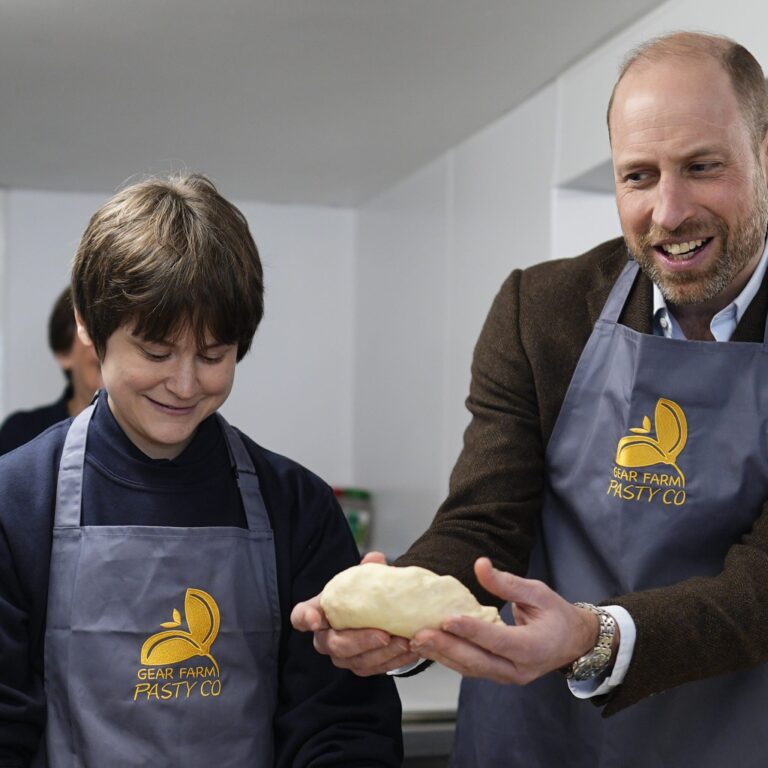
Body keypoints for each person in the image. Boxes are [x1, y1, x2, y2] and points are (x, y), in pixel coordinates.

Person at [293, 31, 768, 766]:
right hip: (534, 735)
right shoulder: (541, 309)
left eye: (701, 167)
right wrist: (405, 620)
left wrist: (594, 636)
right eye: (638, 176)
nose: (669, 212)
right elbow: (487, 518)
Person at [0, 174, 403, 767]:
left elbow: (343, 722)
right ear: (88, 325)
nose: (185, 384)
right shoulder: (15, 502)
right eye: (156, 352)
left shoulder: (298, 506)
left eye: (213, 355)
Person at [0, 287, 102, 454]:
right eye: (97, 333)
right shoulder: (22, 435)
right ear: (64, 353)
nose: (111, 348)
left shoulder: (146, 434)